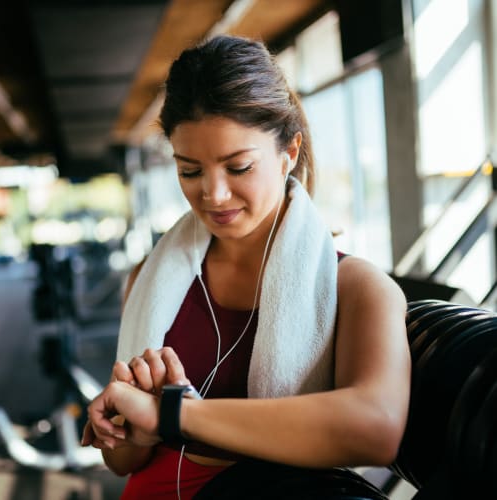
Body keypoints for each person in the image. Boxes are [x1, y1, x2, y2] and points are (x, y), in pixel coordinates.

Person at [81, 35, 411, 499]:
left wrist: (174, 415)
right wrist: (126, 428)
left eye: (238, 168)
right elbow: (121, 463)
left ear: (288, 153)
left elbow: (375, 429)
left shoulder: (358, 287)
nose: (213, 195)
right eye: (190, 171)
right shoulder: (149, 279)